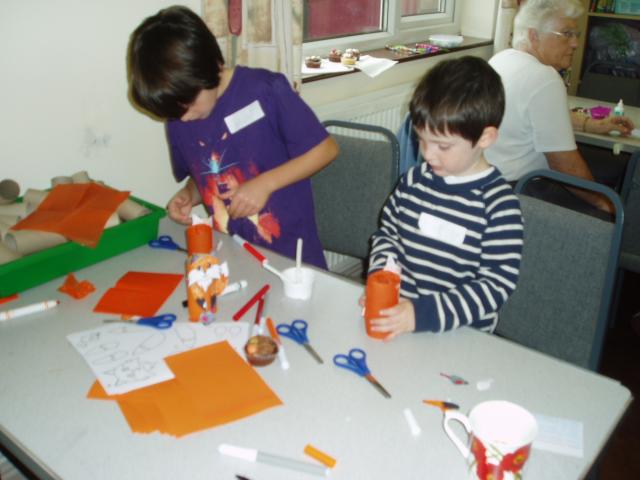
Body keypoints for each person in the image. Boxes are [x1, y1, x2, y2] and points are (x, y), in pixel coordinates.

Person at [128, 6, 338, 268]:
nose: (184, 118)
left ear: (211, 67)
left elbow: (326, 149)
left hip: (293, 257)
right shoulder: (178, 117)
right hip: (232, 256)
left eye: (189, 105)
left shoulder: (266, 90)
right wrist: (189, 194)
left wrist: (265, 184)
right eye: (175, 113)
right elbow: (204, 175)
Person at [365, 56, 524, 340]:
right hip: (402, 320)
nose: (427, 154)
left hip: (462, 334)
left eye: (443, 146)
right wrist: (381, 279)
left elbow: (495, 285)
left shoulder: (499, 206)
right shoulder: (413, 182)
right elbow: (388, 237)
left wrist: (421, 315)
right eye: (421, 139)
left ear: (485, 138)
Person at [485, 0, 634, 215]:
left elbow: (534, 115)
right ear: (534, 35)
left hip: (487, 182)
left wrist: (590, 124)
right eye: (566, 34)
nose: (575, 43)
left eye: (576, 35)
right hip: (520, 191)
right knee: (610, 206)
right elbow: (564, 165)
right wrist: (603, 203)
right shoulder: (545, 78)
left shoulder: (501, 59)